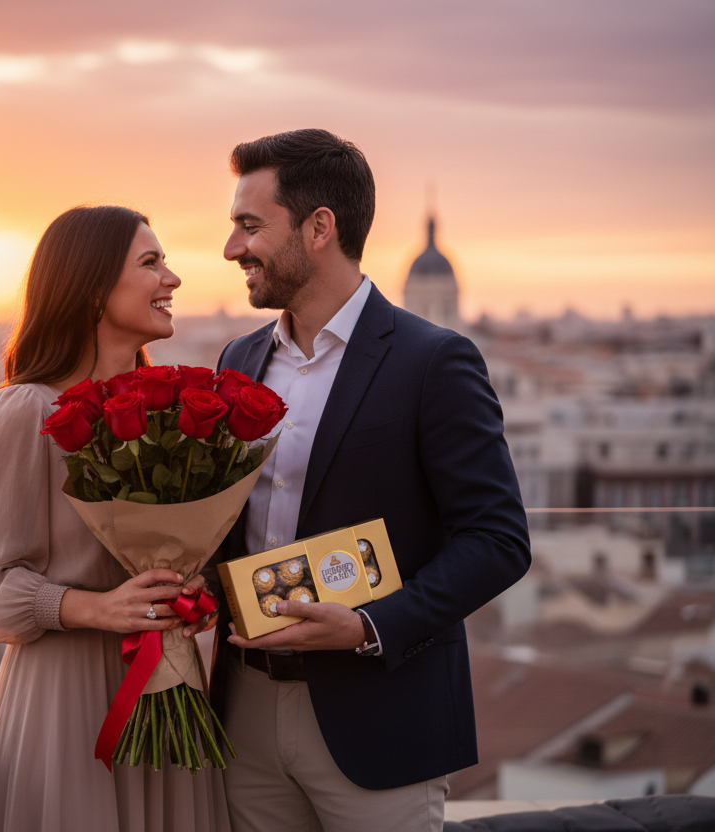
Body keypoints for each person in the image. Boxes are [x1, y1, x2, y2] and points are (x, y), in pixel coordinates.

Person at [202, 129, 531, 832]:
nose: (232, 249)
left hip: (380, 715)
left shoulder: (434, 360)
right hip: (244, 714)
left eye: (250, 226)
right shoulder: (238, 357)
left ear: (320, 228)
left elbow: (498, 539)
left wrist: (368, 627)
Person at [0, 205, 230, 832]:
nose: (173, 279)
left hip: (170, 684)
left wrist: (195, 591)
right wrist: (93, 609)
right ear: (93, 287)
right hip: (66, 696)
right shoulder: (26, 408)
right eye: (151, 263)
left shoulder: (175, 415)